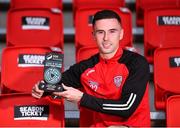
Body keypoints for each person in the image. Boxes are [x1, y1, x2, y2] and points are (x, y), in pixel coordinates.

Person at [32, 9, 150, 127]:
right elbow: (57, 83)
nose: (106, 38)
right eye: (100, 32)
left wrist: (82, 98)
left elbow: (126, 107)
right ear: (93, 35)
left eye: (112, 31)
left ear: (121, 34)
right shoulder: (85, 67)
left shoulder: (137, 63)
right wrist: (42, 89)